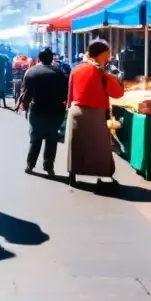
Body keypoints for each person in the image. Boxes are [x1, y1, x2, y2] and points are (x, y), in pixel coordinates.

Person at [66, 39, 124, 189]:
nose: (109, 58)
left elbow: (70, 92)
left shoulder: (76, 68)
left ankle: (72, 175)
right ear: (101, 54)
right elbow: (116, 92)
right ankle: (104, 176)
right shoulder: (99, 71)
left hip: (75, 112)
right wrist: (119, 80)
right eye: (107, 54)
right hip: (95, 114)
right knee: (100, 148)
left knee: (76, 146)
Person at [22, 47, 69, 176]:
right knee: (51, 138)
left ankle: (30, 165)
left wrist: (25, 108)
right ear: (51, 59)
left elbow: (26, 94)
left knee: (35, 138)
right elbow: (66, 93)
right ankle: (49, 166)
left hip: (37, 109)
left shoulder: (31, 72)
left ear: (39, 58)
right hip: (55, 111)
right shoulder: (60, 73)